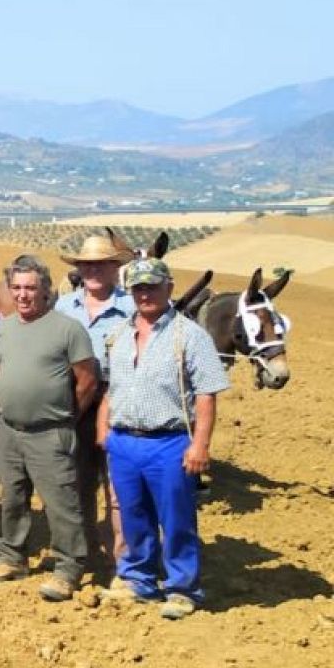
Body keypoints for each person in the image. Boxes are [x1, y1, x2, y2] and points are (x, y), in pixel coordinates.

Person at [98, 258, 230, 620]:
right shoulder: (120, 335)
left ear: (169, 288)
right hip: (124, 441)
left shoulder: (189, 336)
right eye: (138, 288)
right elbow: (110, 388)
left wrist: (200, 445)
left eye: (152, 287)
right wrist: (104, 431)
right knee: (134, 516)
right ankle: (139, 580)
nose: (145, 294)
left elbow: (206, 394)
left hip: (169, 442)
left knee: (176, 518)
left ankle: (182, 588)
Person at [0, 254, 98, 601]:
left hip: (51, 432)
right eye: (16, 287)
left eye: (31, 288)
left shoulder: (68, 329)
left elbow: (87, 381)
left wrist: (63, 416)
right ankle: (12, 557)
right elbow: (1, 370)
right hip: (8, 429)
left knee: (61, 502)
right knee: (13, 498)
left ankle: (68, 567)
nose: (23, 295)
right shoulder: (2, 327)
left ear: (46, 290)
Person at [57, 234, 135, 566]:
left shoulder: (132, 307)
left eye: (101, 264)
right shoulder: (64, 307)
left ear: (115, 268)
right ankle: (85, 552)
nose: (93, 270)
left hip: (118, 401)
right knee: (78, 483)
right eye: (87, 264)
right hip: (74, 400)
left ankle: (125, 561)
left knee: (119, 491)